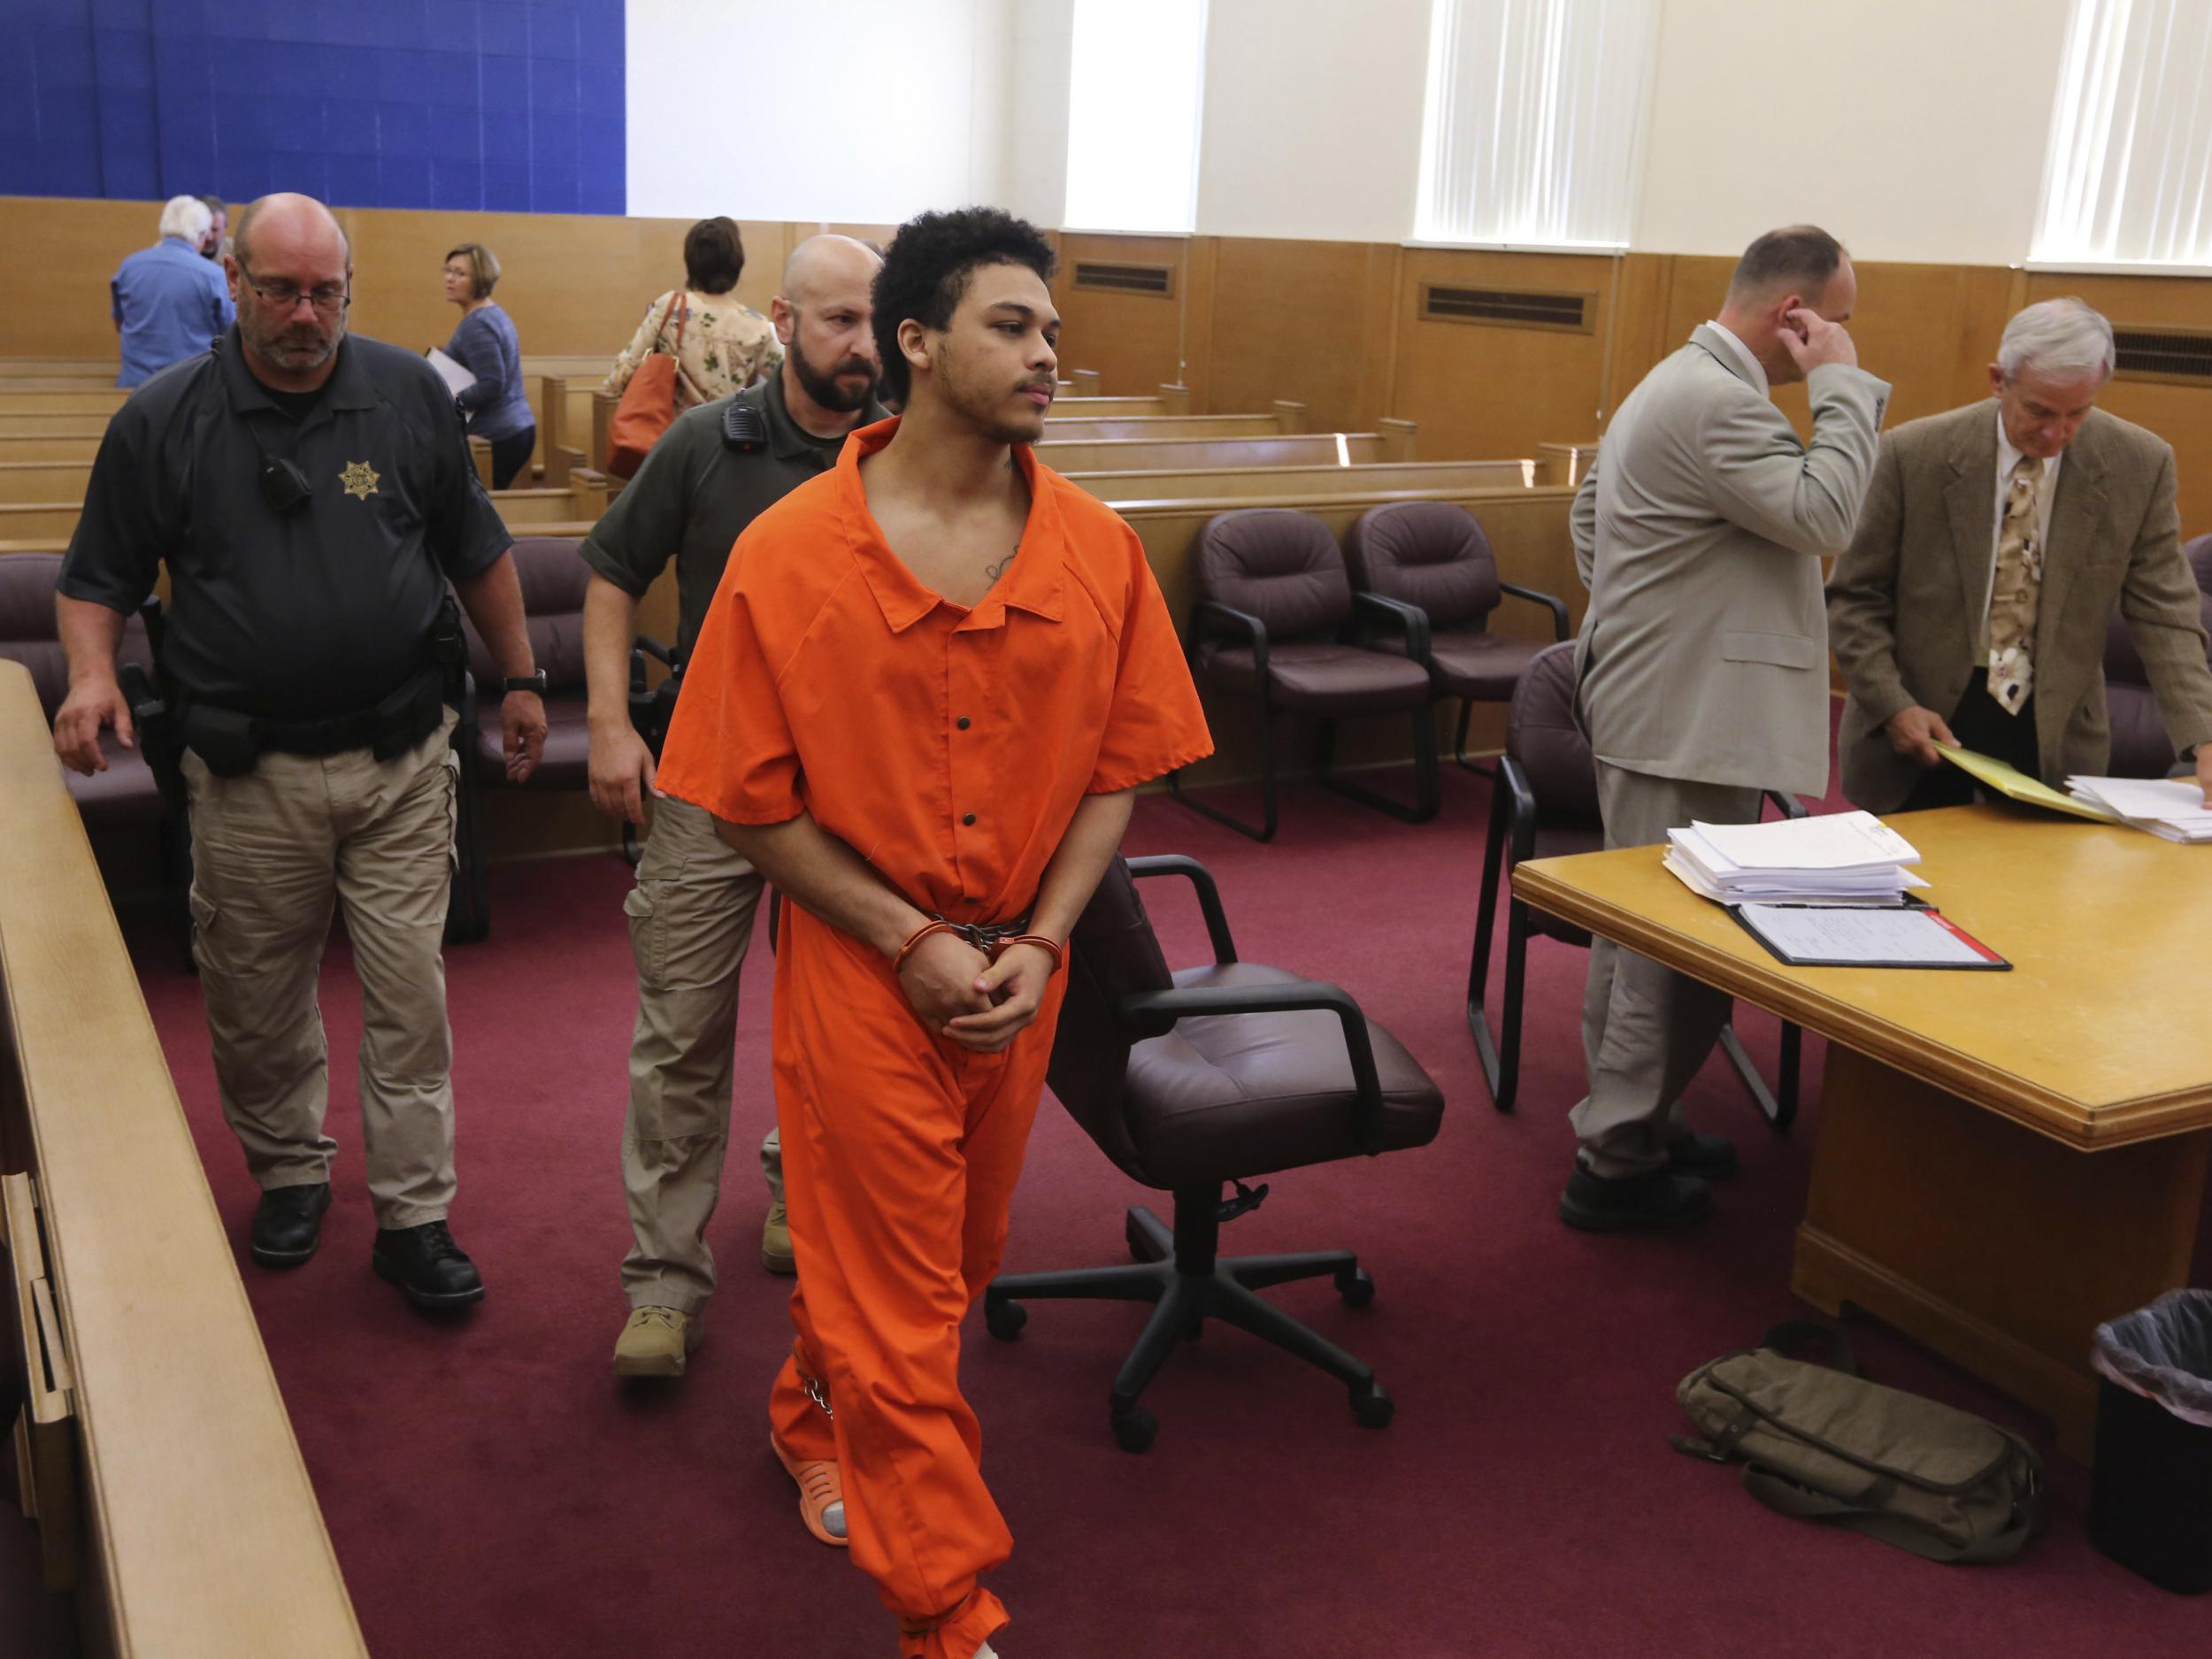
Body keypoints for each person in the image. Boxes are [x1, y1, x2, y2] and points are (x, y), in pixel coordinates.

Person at [654, 207, 1210, 1659]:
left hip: (1022, 970)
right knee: (905, 1322)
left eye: (1052, 333)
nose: (1048, 357)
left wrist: (1040, 944)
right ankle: (949, 1613)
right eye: (1013, 327)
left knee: (953, 1266)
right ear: (916, 341)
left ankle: (802, 1412)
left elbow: (1120, 769)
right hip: (864, 971)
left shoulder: (1092, 548)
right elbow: (746, 805)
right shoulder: (788, 554)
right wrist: (911, 939)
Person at [52, 194, 549, 1310]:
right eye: (280, 289)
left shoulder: (410, 395)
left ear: (349, 292)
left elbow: (477, 551)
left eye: (326, 292)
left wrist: (519, 677)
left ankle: (415, 1214)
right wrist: (91, 674)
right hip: (245, 777)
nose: (304, 314)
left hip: (401, 761)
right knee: (256, 998)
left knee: (408, 996)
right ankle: (287, 1170)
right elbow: (96, 580)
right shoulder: (167, 419)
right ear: (234, 281)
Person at [579, 234, 890, 1378]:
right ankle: (662, 1280)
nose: (861, 344)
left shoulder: (903, 451)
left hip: (857, 798)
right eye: (838, 320)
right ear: (781, 321)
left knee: (837, 1028)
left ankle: (796, 1188)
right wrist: (612, 722)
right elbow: (610, 568)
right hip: (713, 785)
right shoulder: (711, 440)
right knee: (682, 1034)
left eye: (877, 321)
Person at [1564, 226, 1890, 1233]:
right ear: (1792, 318)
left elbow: (1589, 520)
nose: (1841, 338)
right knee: (1667, 950)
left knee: (1646, 939)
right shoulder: (1716, 402)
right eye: (1834, 322)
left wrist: (1646, 612)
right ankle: (1613, 1165)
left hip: (1672, 699)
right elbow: (1827, 513)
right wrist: (1843, 385)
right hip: (1683, 713)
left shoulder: (1678, 378)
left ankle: (1635, 1121)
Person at [1829, 297, 2212, 811]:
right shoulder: (1914, 455)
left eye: (2078, 413)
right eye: (2039, 411)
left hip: (2055, 733)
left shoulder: (2139, 465)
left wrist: (2203, 736)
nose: (2057, 434)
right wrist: (1892, 705)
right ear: (1998, 380)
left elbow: (2166, 612)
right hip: (1924, 724)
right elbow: (1854, 599)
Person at [603, 217, 782, 411]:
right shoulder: (757, 326)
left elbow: (620, 378)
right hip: (728, 436)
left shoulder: (670, 308)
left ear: (690, 260)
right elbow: (789, 385)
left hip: (674, 436)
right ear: (736, 262)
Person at [111, 195, 235, 388]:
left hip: (133, 389)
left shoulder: (128, 267)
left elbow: (119, 324)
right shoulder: (214, 276)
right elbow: (232, 336)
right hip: (192, 389)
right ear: (202, 234)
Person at [442, 241, 537, 488]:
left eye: (460, 273)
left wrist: (451, 403)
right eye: (448, 270)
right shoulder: (493, 314)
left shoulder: (477, 324)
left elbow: (492, 384)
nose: (450, 279)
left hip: (496, 436)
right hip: (514, 428)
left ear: (480, 279)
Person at [197, 195, 229, 260]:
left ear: (225, 227)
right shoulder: (181, 253)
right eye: (203, 230)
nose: (209, 238)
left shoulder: (237, 254)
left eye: (215, 230)